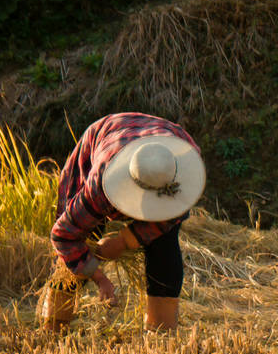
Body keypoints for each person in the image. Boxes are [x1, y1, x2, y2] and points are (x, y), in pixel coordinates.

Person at [41, 112, 206, 331]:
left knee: (164, 248)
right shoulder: (100, 185)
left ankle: (161, 334)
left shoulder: (181, 171)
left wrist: (123, 241)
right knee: (79, 247)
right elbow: (64, 235)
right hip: (106, 138)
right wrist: (99, 277)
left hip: (161, 140)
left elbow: (169, 220)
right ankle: (54, 325)